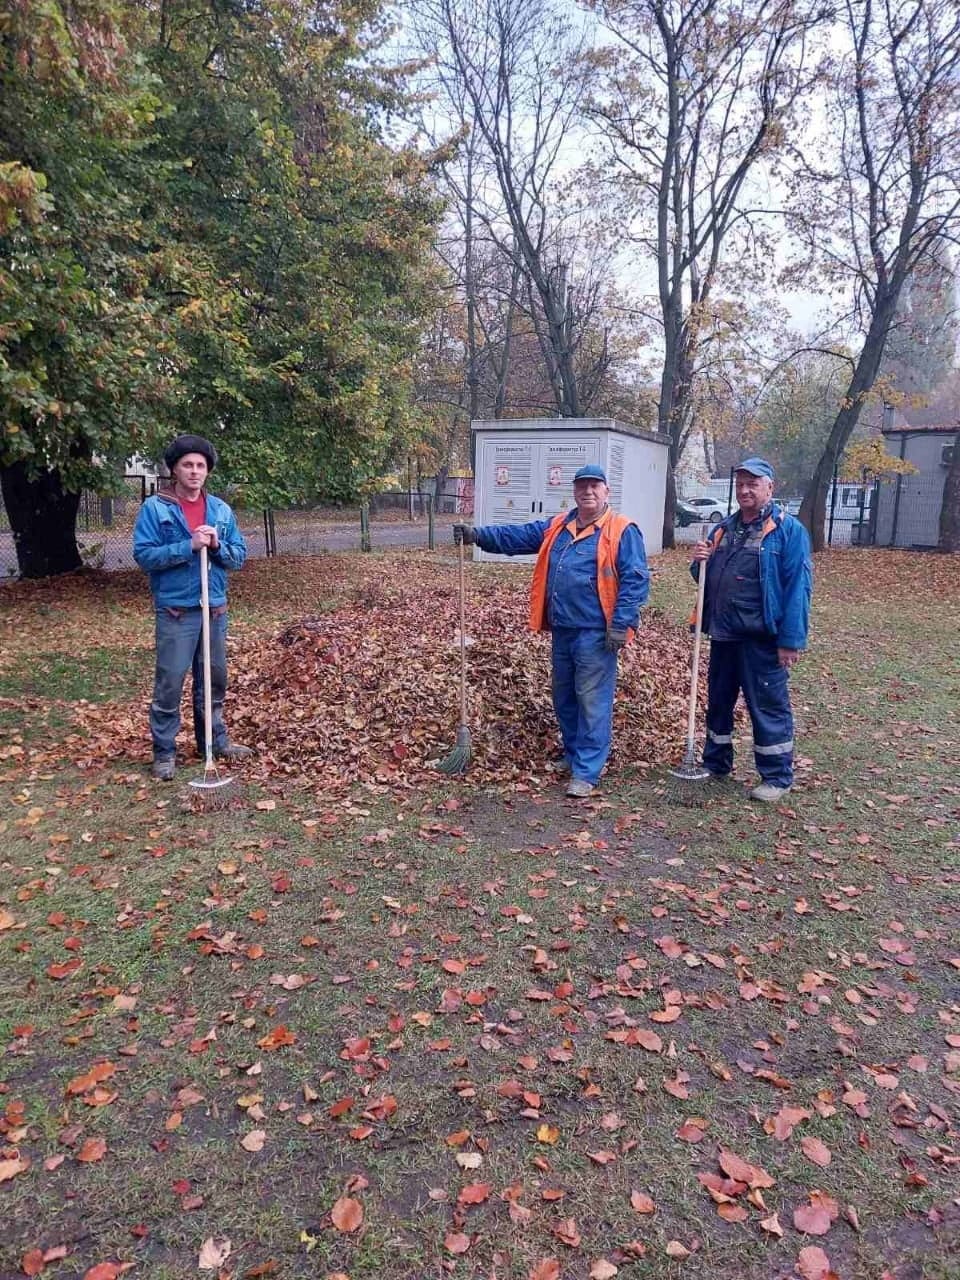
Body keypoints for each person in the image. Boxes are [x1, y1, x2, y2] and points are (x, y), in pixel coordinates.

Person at [453, 464, 649, 798]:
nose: (588, 492)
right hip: (563, 629)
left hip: (596, 631)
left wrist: (621, 623)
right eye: (582, 486)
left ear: (606, 491)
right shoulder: (559, 525)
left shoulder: (621, 529)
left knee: (591, 699)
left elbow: (636, 579)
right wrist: (478, 535)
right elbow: (518, 537)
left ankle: (587, 771)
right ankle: (574, 755)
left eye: (594, 486)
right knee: (565, 697)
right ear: (574, 491)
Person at [690, 457, 812, 802]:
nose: (744, 490)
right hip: (724, 633)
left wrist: (790, 640)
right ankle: (716, 763)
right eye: (740, 484)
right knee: (718, 702)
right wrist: (700, 560)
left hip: (761, 637)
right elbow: (704, 579)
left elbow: (797, 589)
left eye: (752, 484)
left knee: (767, 705)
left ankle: (776, 777)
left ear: (769, 488)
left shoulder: (788, 531)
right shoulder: (723, 529)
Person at [133, 434, 252, 781]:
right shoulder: (156, 509)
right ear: (175, 469)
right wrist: (188, 545)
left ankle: (213, 742)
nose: (195, 471)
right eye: (188, 464)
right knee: (170, 682)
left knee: (214, 680)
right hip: (177, 612)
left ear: (207, 471)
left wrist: (215, 546)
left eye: (201, 465)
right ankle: (164, 752)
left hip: (213, 610)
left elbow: (239, 556)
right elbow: (144, 556)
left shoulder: (220, 510)